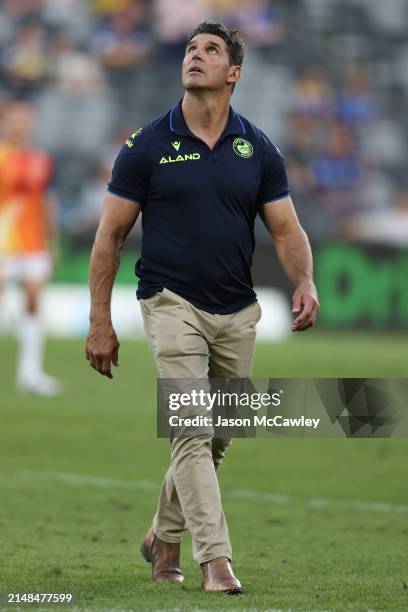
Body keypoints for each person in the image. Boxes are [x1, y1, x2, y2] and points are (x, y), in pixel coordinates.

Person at [86, 22, 319, 594]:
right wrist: (100, 321)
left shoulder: (257, 147)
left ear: (233, 73)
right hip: (170, 304)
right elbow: (109, 237)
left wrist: (305, 281)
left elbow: (286, 228)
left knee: (219, 433)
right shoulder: (145, 145)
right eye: (191, 48)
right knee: (192, 429)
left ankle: (163, 537)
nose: (195, 56)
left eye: (211, 50)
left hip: (237, 311)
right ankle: (216, 561)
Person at [0, 101, 61, 396]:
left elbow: (49, 200)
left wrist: (52, 240)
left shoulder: (41, 159)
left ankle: (30, 373)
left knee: (34, 300)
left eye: (24, 120)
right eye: (14, 119)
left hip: (33, 241)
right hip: (3, 242)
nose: (19, 125)